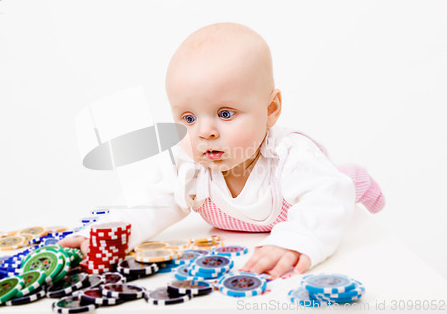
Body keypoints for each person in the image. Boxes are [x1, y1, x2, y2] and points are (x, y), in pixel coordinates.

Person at [59, 22, 385, 279]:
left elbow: (326, 196)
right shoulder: (188, 162)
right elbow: (148, 200)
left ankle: (361, 180)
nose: (205, 131)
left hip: (322, 184)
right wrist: (113, 233)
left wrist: (295, 240)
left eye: (225, 114)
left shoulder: (290, 154)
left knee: (340, 183)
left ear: (270, 109)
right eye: (188, 118)